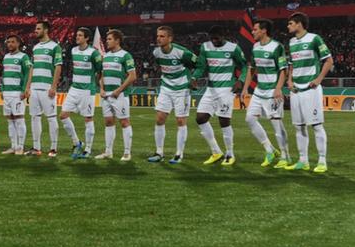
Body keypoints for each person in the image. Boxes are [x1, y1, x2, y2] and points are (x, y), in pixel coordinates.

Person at [190, 25, 247, 166]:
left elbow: (244, 66)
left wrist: (240, 80)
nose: (214, 41)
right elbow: (201, 66)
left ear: (224, 36)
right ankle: (216, 152)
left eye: (217, 38)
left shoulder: (234, 48)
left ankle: (230, 154)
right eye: (212, 38)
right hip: (211, 89)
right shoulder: (205, 47)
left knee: (224, 121)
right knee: (200, 118)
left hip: (227, 89)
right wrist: (194, 77)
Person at [285, 12, 334, 173]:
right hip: (296, 90)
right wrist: (289, 81)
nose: (288, 26)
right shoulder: (291, 42)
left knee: (316, 125)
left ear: (299, 24)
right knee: (299, 127)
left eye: (291, 23)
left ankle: (322, 161)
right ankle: (303, 160)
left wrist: (319, 79)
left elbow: (328, 60)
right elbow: (291, 64)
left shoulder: (314, 38)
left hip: (310, 89)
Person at [241, 19, 291, 168]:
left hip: (272, 91)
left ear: (264, 30)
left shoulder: (277, 47)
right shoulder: (255, 47)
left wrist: (278, 88)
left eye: (255, 29)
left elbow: (284, 70)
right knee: (250, 119)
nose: (252, 31)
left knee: (277, 125)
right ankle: (269, 150)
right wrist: (245, 88)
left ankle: (285, 156)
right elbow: (252, 69)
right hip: (259, 91)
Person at [147, 26, 196, 164]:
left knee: (180, 121)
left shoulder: (182, 53)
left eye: (162, 36)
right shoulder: (156, 53)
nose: (158, 38)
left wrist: (194, 78)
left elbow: (198, 63)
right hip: (166, 88)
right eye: (158, 36)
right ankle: (159, 152)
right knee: (159, 119)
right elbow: (160, 66)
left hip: (182, 89)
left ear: (170, 38)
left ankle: (179, 154)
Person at [95, 29, 137, 161]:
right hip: (106, 95)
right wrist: (101, 88)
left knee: (124, 122)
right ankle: (108, 152)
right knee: (108, 122)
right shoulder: (105, 56)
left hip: (120, 95)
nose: (107, 41)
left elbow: (132, 76)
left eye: (109, 39)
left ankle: (127, 153)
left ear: (117, 40)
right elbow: (101, 75)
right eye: (106, 39)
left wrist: (119, 90)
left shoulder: (126, 55)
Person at [61, 27, 102, 159]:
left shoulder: (93, 53)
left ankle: (88, 149)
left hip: (87, 91)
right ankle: (77, 142)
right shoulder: (73, 50)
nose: (77, 37)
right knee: (63, 115)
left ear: (87, 38)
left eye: (80, 35)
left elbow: (100, 70)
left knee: (88, 118)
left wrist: (96, 85)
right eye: (77, 35)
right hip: (74, 89)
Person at [26, 21, 63, 157]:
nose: (35, 30)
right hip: (35, 88)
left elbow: (58, 66)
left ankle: (53, 148)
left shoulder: (55, 47)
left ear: (46, 30)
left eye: (38, 28)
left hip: (47, 87)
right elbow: (32, 67)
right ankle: (36, 147)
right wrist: (28, 87)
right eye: (35, 28)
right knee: (34, 117)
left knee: (51, 117)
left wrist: (54, 86)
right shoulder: (35, 48)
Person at [0, 34, 32, 155]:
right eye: (8, 42)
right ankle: (13, 146)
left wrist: (25, 89)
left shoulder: (24, 57)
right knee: (10, 120)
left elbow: (28, 72)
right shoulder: (6, 57)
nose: (10, 44)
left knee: (19, 119)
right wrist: (2, 89)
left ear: (18, 43)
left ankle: (20, 147)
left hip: (17, 93)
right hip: (7, 92)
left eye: (12, 42)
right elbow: (4, 74)